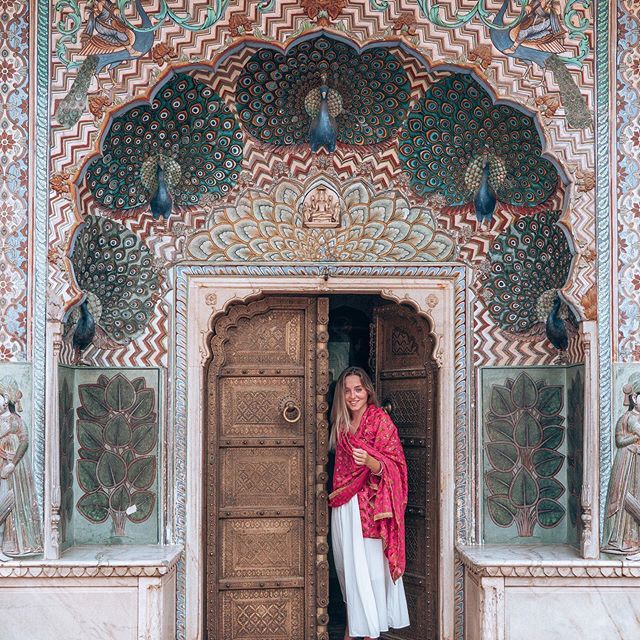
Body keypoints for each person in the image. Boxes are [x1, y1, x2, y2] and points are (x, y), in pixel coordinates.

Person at [329, 367, 410, 640]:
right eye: (347, 390)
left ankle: (370, 632)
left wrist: (371, 462)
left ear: (367, 391)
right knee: (348, 571)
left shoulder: (379, 420)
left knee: (371, 571)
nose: (353, 396)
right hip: (344, 505)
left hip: (371, 509)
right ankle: (353, 626)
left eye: (358, 389)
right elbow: (342, 470)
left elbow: (396, 466)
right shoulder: (341, 425)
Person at [0, 380, 42, 558]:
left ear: (5, 400)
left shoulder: (16, 420)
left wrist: (12, 464)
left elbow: (24, 442)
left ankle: (12, 545)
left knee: (11, 503)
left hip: (13, 469)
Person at [603, 376, 640, 555]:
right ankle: (623, 539)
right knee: (623, 494)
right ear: (634, 398)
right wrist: (634, 438)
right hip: (627, 461)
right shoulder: (626, 418)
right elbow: (619, 441)